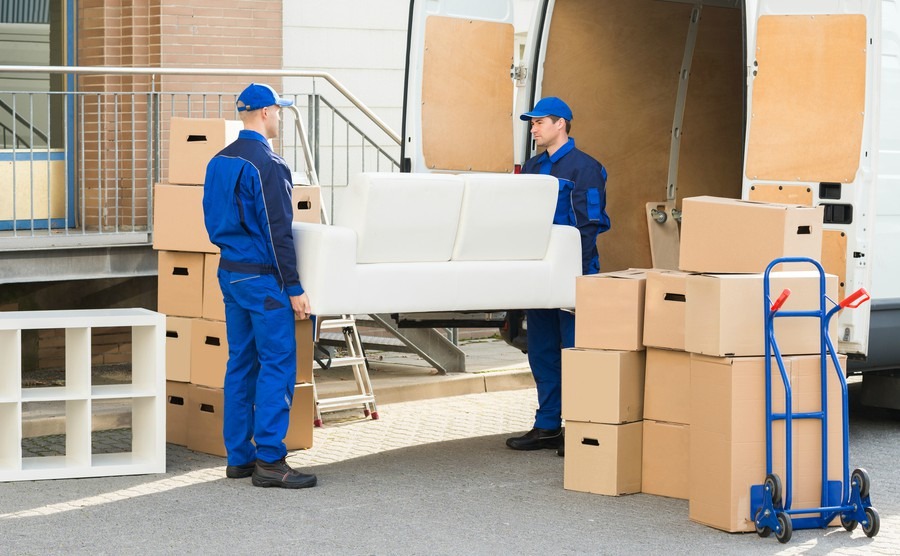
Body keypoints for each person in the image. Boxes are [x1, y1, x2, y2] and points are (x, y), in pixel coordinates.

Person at [202, 83, 317, 488]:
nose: (281, 117)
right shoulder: (267, 163)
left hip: (230, 272)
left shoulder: (218, 160)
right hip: (263, 279)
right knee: (278, 363)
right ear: (266, 112)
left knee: (241, 363)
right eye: (280, 110)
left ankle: (239, 457)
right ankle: (270, 459)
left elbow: (212, 220)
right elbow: (278, 231)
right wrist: (295, 287)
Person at [506, 96, 610, 454]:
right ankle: (548, 425)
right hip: (539, 275)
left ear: (560, 124)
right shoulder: (533, 167)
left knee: (574, 351)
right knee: (542, 350)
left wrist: (575, 278)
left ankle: (578, 427)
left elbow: (590, 225)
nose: (533, 128)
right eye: (531, 123)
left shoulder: (586, 168)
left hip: (573, 274)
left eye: (539, 122)